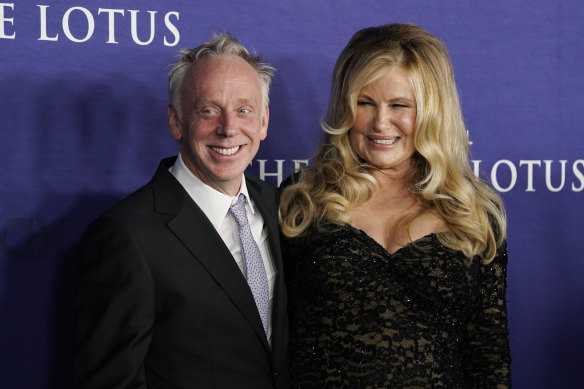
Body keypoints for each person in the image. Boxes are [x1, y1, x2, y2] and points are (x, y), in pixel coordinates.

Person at [279, 23, 511, 388]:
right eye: (365, 103)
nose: (380, 122)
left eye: (399, 105)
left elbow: (489, 356)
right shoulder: (302, 199)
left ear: (433, 112)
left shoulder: (473, 212)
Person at [75, 32, 288, 389]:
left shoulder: (281, 208)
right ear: (175, 121)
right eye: (208, 110)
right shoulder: (126, 236)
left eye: (243, 110)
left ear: (263, 122)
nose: (228, 128)